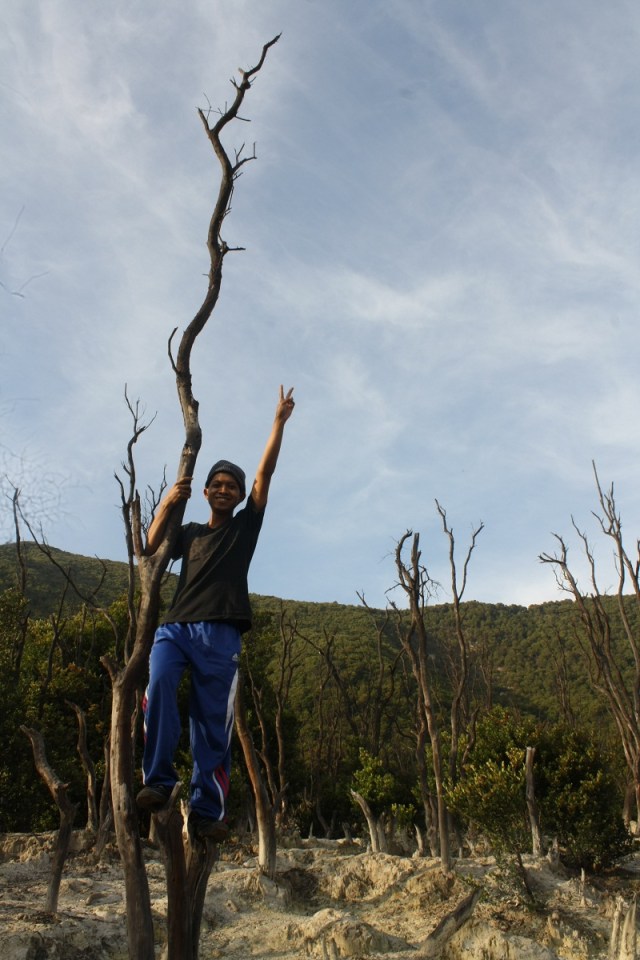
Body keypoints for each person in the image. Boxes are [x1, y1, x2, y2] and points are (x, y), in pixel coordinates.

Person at [136, 385, 295, 841]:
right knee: (159, 688)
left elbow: (266, 473)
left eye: (233, 486)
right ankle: (158, 783)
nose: (225, 490)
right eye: (218, 485)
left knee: (212, 724)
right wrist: (167, 502)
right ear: (205, 492)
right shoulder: (187, 532)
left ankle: (207, 812)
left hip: (222, 634)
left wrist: (278, 423)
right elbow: (147, 549)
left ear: (241, 495)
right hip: (176, 629)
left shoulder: (246, 527)